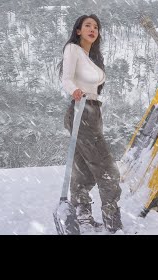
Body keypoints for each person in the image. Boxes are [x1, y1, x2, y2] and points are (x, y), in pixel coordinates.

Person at [58, 14, 123, 234]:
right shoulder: (73, 50)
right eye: (87, 25)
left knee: (83, 170)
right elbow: (66, 78)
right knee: (108, 170)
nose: (93, 29)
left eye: (96, 26)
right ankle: (113, 222)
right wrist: (74, 90)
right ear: (78, 30)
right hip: (80, 110)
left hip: (93, 111)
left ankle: (82, 216)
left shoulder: (91, 56)